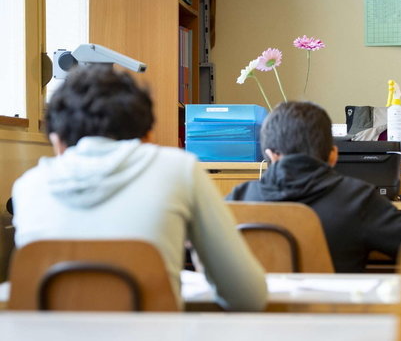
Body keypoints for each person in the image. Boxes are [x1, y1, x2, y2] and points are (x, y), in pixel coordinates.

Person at [11, 65, 267, 311]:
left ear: (58, 141)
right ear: (147, 135)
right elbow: (247, 297)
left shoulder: (28, 186)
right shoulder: (179, 170)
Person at [226, 101, 401, 273]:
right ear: (333, 155)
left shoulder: (239, 198)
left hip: (253, 315)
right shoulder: (358, 199)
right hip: (334, 313)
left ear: (270, 155)